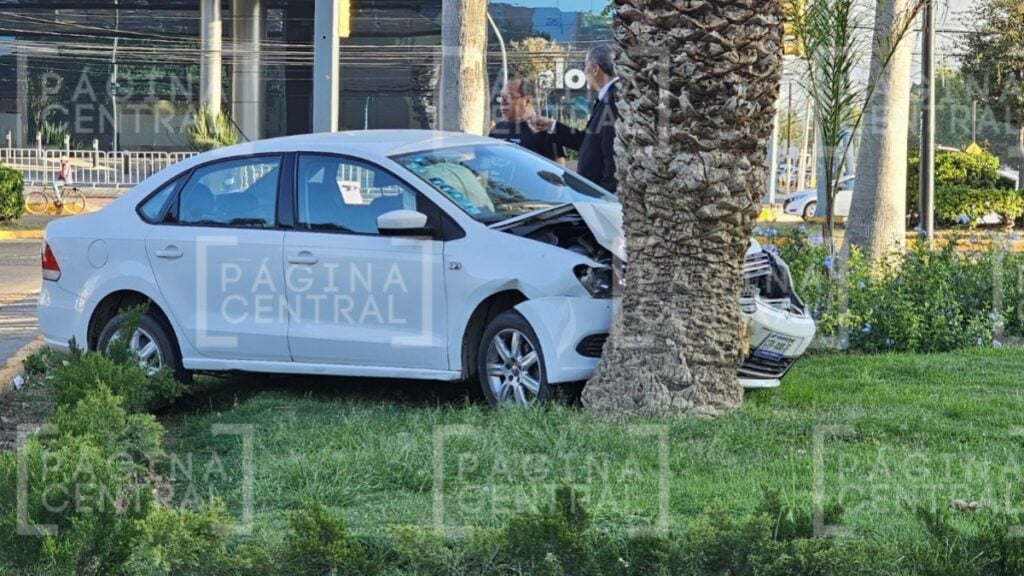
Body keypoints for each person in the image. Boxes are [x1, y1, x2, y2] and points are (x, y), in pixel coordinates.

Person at [529, 44, 620, 193]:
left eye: (585, 67)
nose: (584, 73)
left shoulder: (612, 99)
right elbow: (586, 141)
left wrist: (606, 194)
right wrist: (552, 126)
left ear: (595, 69)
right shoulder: (606, 97)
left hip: (601, 194)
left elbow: (611, 153)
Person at [489, 78, 567, 165]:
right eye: (501, 97)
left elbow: (558, 171)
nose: (503, 102)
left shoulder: (545, 131)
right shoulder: (497, 129)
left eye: (509, 97)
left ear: (527, 101)